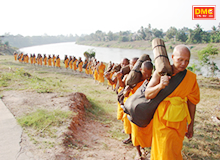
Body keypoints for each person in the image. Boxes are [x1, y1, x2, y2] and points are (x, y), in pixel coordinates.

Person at [145, 45, 200, 160]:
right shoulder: (160, 72)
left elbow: (192, 102)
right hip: (162, 120)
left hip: (179, 121)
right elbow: (148, 94)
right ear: (173, 57)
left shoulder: (190, 78)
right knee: (163, 151)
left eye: (186, 61)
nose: (183, 64)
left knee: (174, 152)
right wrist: (160, 86)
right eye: (180, 60)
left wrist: (191, 124)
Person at [129, 61, 153, 159]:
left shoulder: (153, 80)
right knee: (136, 132)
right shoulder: (134, 81)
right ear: (140, 70)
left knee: (147, 131)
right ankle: (138, 152)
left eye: (149, 73)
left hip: (147, 110)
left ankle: (144, 147)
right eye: (145, 73)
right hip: (135, 110)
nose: (147, 75)